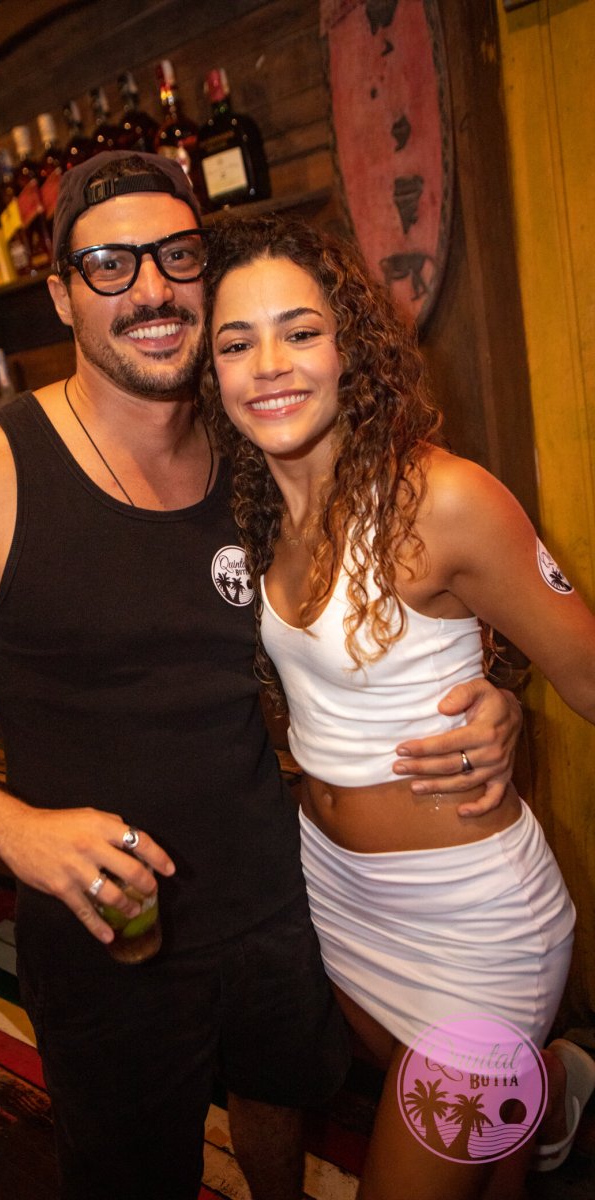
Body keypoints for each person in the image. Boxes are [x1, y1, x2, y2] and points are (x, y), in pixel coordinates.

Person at [0, 152, 521, 1200]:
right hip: (107, 927)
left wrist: (496, 693)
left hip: (274, 895)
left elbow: (403, 593)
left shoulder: (256, 450)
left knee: (279, 1101)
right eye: (109, 265)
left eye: (175, 256)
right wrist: (13, 828)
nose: (150, 288)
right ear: (62, 295)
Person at [200, 211, 595, 1198]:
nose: (268, 366)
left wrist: (510, 700)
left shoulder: (441, 499)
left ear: (350, 347)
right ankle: (549, 1093)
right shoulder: (250, 513)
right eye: (235, 343)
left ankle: (541, 1089)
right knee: (485, 1157)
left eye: (299, 331)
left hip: (470, 923)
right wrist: (500, 692)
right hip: (336, 898)